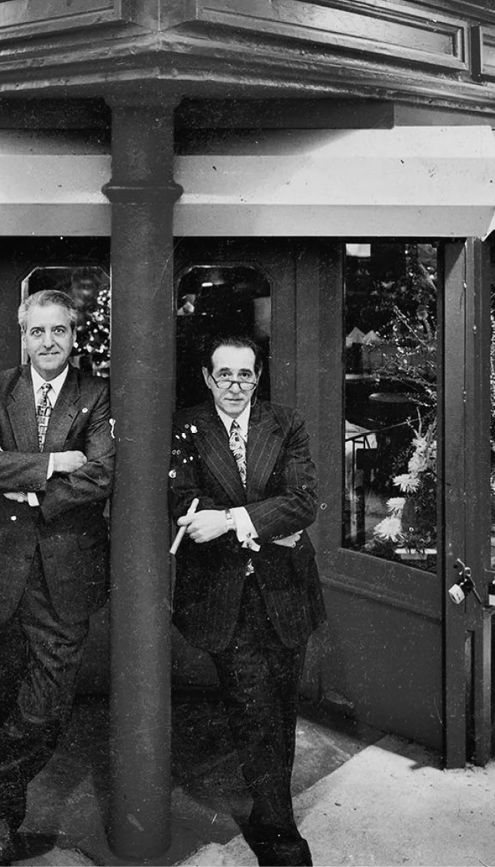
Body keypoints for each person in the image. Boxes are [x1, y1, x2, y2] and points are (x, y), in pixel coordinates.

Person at [0, 289, 114, 866]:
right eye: (37, 332)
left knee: (47, 703)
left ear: (74, 334)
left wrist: (28, 488)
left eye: (59, 330)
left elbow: (103, 474)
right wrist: (54, 464)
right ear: (24, 336)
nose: (48, 342)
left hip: (64, 573)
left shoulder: (96, 392)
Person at [170, 334, 326, 867]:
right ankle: (280, 836)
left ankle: (268, 809)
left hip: (286, 591)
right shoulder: (185, 426)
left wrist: (232, 519)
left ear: (258, 378)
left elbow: (303, 502)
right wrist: (266, 523)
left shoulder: (286, 423)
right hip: (224, 595)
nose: (235, 385)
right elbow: (185, 506)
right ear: (208, 378)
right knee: (254, 709)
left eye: (245, 375)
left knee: (280, 708)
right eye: (224, 375)